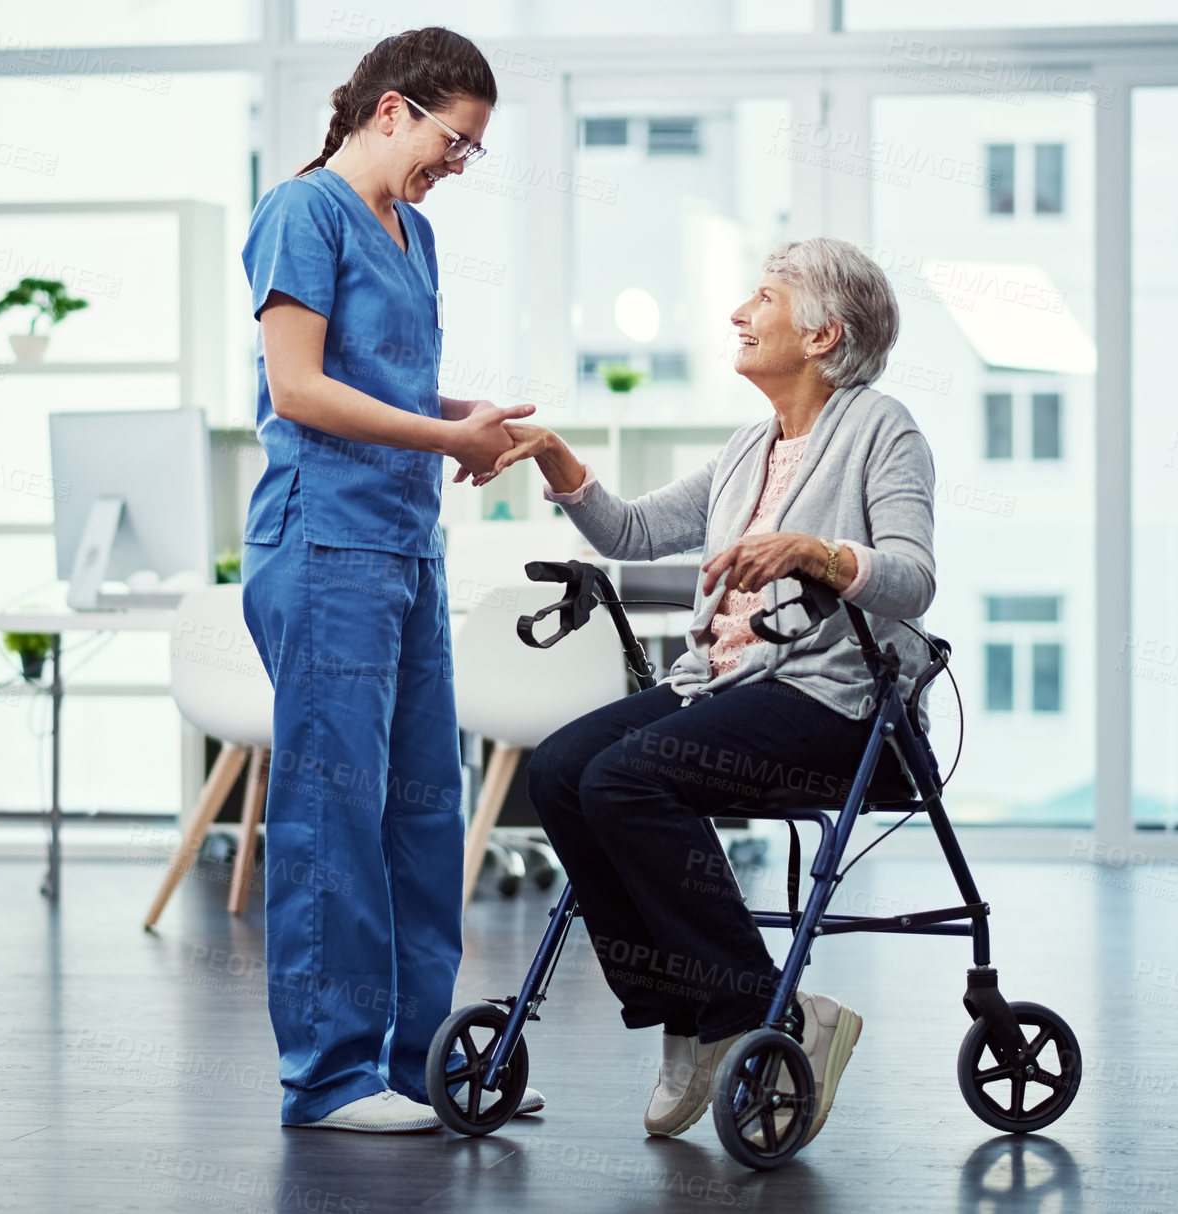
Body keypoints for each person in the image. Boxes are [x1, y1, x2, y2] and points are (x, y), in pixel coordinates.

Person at [488, 237, 936, 1142]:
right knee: (561, 770)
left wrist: (820, 553)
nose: (739, 313)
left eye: (763, 299)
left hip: (832, 700)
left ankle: (752, 1009)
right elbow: (638, 530)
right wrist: (558, 463)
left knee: (625, 778)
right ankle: (684, 1012)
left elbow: (915, 578)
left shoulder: (882, 429)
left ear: (823, 335)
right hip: (722, 685)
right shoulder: (747, 448)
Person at [238, 28, 543, 1133]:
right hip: (322, 547)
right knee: (332, 813)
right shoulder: (301, 212)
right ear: (391, 110)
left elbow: (390, 384)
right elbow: (300, 389)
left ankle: (419, 1065)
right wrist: (438, 434)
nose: (452, 168)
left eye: (467, 154)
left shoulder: (407, 231)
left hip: (406, 545)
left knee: (423, 807)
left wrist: (462, 417)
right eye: (452, 143)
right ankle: (328, 1077)